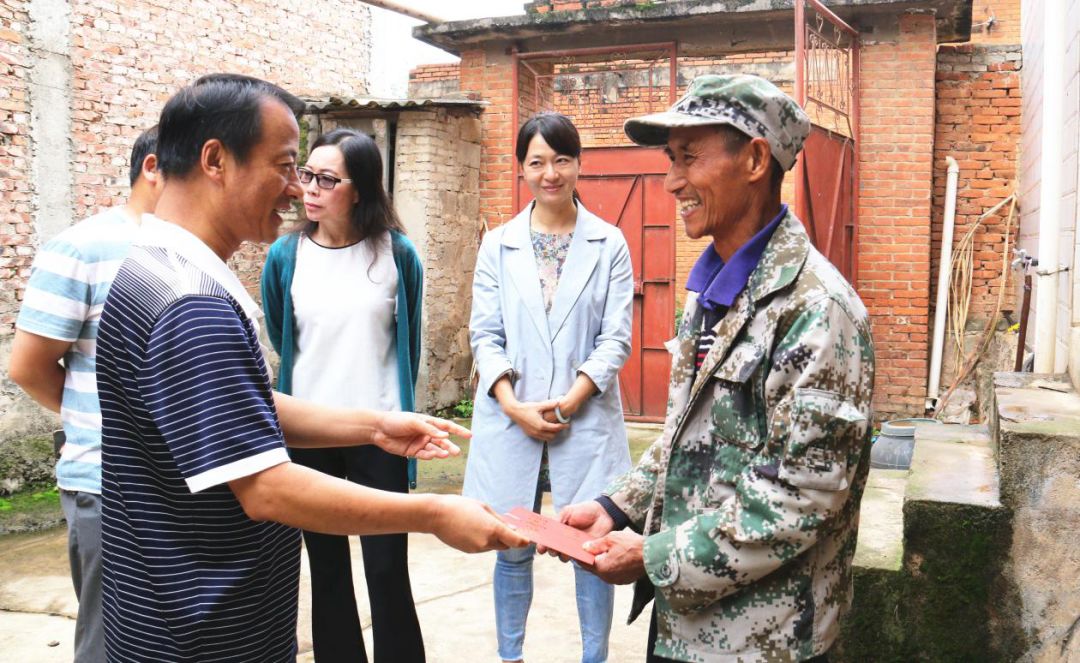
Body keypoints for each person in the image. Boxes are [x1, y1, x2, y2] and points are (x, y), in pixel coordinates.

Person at [94, 73, 527, 662]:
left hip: (165, 613)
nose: (297, 189)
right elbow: (267, 488)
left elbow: (237, 406)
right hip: (208, 635)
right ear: (216, 160)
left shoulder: (152, 272)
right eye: (286, 165)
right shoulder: (194, 306)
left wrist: (372, 427)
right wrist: (434, 513)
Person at [552, 75, 876, 662]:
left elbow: (798, 498)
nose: (673, 181)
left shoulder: (817, 311)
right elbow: (690, 434)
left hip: (765, 642)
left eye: (690, 158)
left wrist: (650, 557)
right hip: (689, 626)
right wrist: (614, 507)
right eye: (670, 160)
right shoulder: (712, 290)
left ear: (755, 159)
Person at [464, 111, 635, 663]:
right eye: (537, 162)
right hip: (511, 417)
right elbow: (484, 334)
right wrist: (512, 405)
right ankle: (508, 656)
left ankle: (594, 657)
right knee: (512, 546)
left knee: (592, 550)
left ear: (580, 164)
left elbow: (616, 338)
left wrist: (573, 398)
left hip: (581, 418)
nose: (551, 173)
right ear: (522, 169)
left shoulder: (609, 244)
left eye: (562, 160)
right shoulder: (499, 245)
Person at [261, 128, 426, 663]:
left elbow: (410, 343)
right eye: (306, 174)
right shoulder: (286, 256)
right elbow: (280, 336)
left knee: (385, 568)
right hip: (308, 434)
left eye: (327, 179)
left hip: (382, 436)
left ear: (359, 190)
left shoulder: (396, 254)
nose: (309, 187)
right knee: (327, 572)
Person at [8, 125, 162, 662]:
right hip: (107, 484)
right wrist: (110, 421)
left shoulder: (191, 250)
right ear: (153, 168)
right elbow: (29, 367)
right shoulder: (83, 247)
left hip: (181, 490)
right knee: (108, 642)